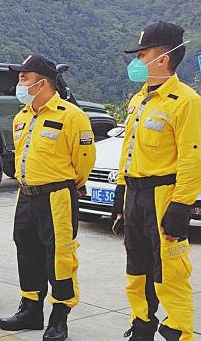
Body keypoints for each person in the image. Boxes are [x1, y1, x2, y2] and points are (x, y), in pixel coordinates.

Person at [113, 22, 201, 341]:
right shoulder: (139, 99)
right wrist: (120, 191)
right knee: (137, 268)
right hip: (135, 196)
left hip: (163, 196)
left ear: (162, 59)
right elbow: (128, 149)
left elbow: (192, 157)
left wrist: (181, 206)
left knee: (169, 272)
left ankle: (179, 331)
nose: (136, 61)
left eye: (142, 54)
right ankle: (142, 325)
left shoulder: (186, 101)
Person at [0, 54, 95, 341]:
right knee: (26, 250)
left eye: (24, 78)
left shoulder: (71, 116)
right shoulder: (22, 116)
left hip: (56, 197)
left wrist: (69, 185)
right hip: (26, 195)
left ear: (42, 83)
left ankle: (59, 316)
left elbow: (84, 161)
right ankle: (30, 310)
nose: (19, 84)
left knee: (60, 256)